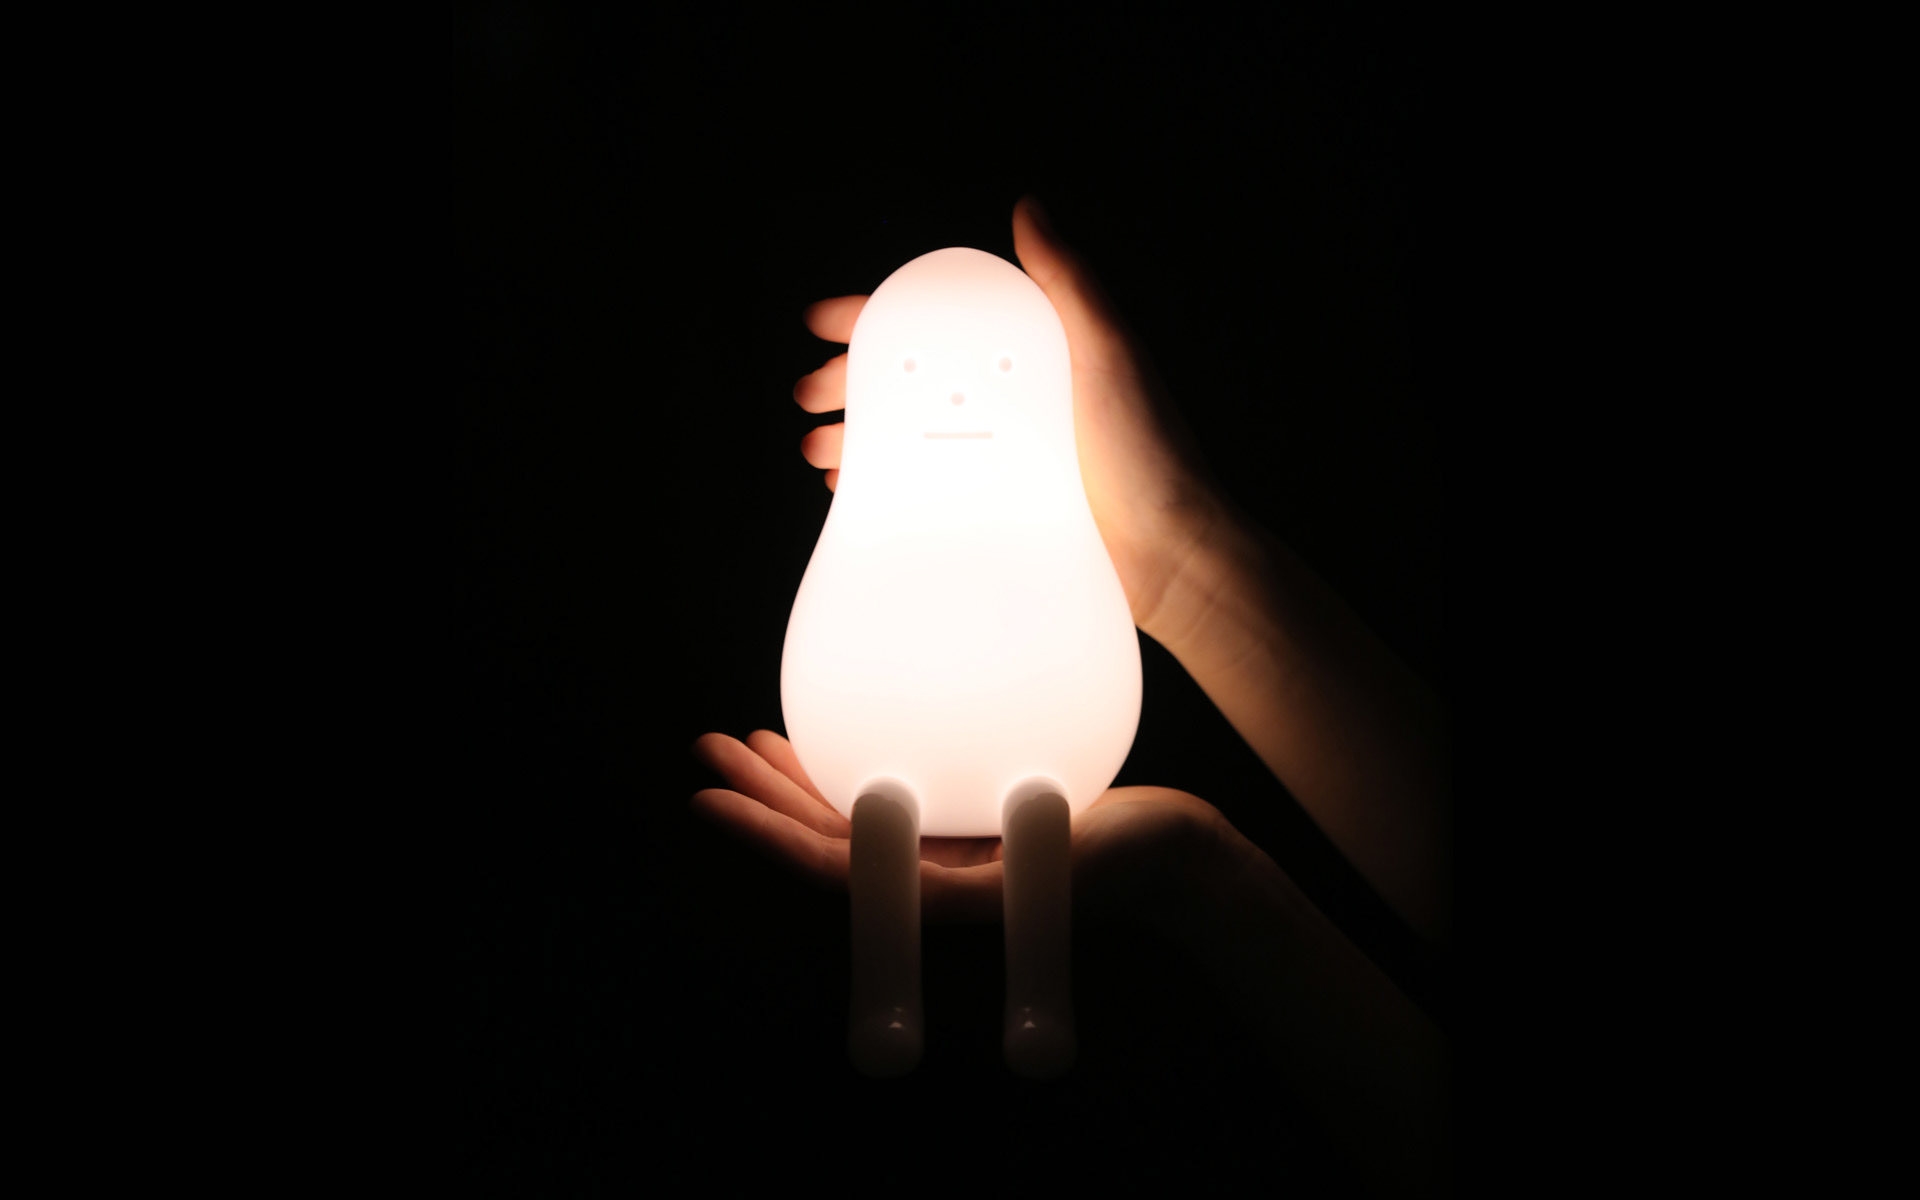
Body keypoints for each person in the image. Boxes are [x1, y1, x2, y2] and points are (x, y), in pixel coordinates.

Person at [692, 197, 1449, 1195]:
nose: (952, 395)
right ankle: (887, 999)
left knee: (1024, 804)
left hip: (1045, 762)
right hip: (871, 757)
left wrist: (1174, 545)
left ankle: (1035, 999)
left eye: (1001, 369)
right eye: (910, 373)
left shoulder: (1037, 516)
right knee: (885, 806)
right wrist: (1180, 555)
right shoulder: (888, 518)